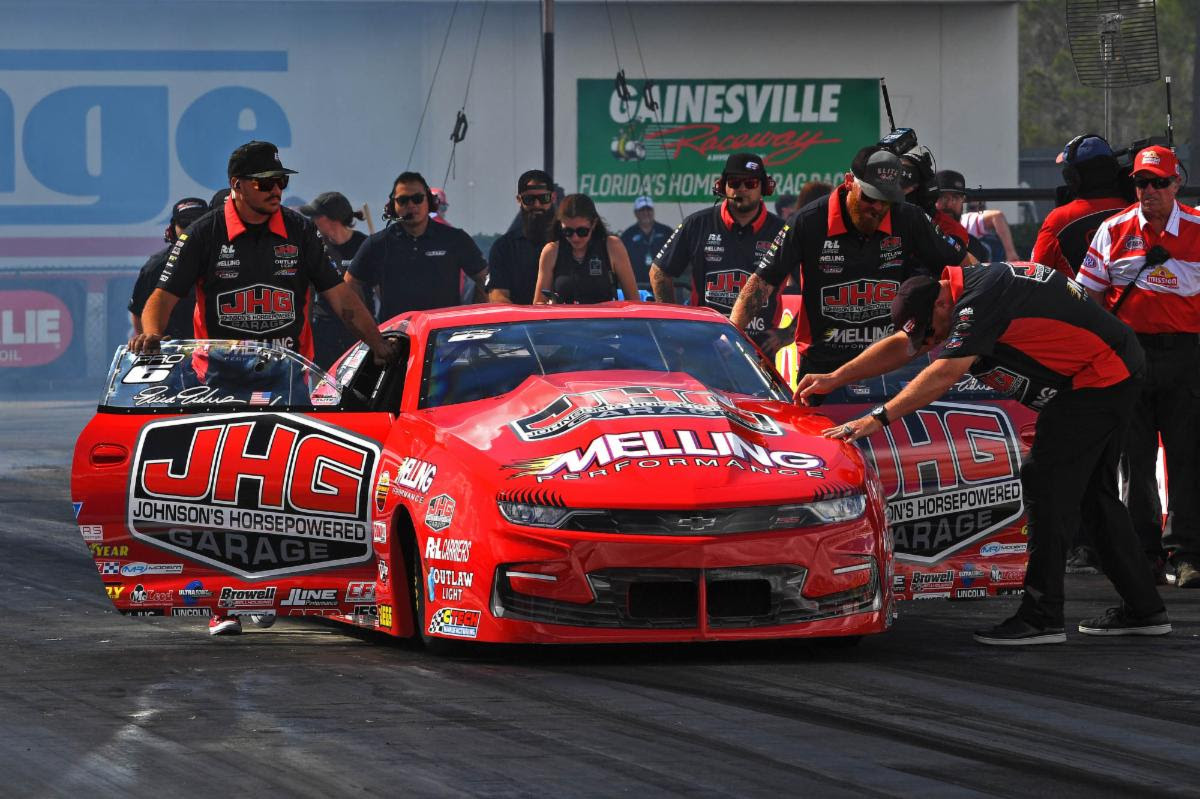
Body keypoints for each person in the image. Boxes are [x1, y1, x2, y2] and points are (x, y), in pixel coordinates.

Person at [797, 262, 1170, 645]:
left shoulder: (979, 301)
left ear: (942, 306)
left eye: (931, 334)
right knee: (1095, 496)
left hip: (1097, 377)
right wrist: (836, 378)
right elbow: (906, 346)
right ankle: (1144, 609)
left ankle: (1042, 617)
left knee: (1045, 482)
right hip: (1107, 371)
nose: (930, 344)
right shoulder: (957, 296)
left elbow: (944, 373)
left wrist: (876, 418)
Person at [130, 142, 396, 638]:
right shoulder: (206, 233)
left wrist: (378, 345)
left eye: (282, 182)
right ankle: (220, 602)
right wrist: (149, 333)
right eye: (265, 183)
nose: (277, 191)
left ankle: (274, 588)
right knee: (223, 492)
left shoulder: (299, 230)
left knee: (282, 490)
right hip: (219, 379)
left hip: (287, 374)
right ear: (237, 185)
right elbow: (159, 300)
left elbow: (342, 299)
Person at [731, 146, 965, 386]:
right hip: (822, 369)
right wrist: (731, 341)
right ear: (849, 181)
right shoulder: (809, 221)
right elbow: (761, 283)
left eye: (886, 200)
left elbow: (964, 267)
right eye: (870, 197)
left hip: (889, 365)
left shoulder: (908, 217)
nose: (877, 207)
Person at [1077, 145, 1200, 589]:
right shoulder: (1113, 230)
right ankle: (1144, 554)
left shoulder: (1199, 228)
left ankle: (1188, 555)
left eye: (1158, 182)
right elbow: (1088, 297)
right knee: (1135, 460)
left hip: (1187, 356)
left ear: (1175, 183)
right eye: (1140, 183)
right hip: (1129, 356)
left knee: (1188, 458)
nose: (1148, 191)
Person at [649, 153, 786, 341]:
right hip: (704, 346)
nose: (742, 189)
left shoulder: (783, 231)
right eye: (734, 183)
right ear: (722, 186)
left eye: (751, 183)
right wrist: (672, 326)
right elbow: (659, 272)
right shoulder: (697, 224)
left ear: (765, 186)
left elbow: (813, 281)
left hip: (759, 350)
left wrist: (788, 333)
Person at [346, 171, 488, 321]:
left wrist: (474, 319)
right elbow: (350, 283)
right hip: (396, 339)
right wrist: (368, 324)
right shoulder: (377, 243)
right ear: (392, 206)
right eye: (403, 200)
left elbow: (485, 277)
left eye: (417, 199)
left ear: (430, 202)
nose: (411, 205)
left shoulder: (455, 239)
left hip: (444, 337)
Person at [1032, 134, 1129, 277]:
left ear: (1072, 177)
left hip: (1075, 299)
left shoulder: (1059, 220)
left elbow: (1035, 274)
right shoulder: (1138, 211)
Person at [299, 191, 369, 370]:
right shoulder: (315, 246)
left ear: (333, 218)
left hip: (359, 328)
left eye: (316, 215)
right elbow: (306, 292)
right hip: (324, 332)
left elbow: (381, 291)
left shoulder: (365, 245)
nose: (312, 220)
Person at [533, 193, 639, 304]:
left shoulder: (612, 247)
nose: (575, 238)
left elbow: (634, 301)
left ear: (593, 224)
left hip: (604, 320)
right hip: (566, 320)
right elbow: (538, 305)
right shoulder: (551, 251)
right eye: (568, 232)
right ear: (561, 226)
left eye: (582, 231)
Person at [128, 197, 207, 337]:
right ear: (172, 228)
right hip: (173, 351)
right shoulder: (156, 266)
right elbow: (138, 312)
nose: (190, 229)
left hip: (219, 349)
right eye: (184, 224)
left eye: (196, 223)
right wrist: (152, 338)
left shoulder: (224, 256)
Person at [487, 169, 556, 304]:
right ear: (519, 200)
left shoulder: (571, 240)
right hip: (521, 323)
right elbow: (498, 297)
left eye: (544, 198)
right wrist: (527, 321)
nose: (537, 205)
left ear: (553, 198)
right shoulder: (504, 248)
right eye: (529, 199)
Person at [933, 170, 990, 263]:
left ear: (963, 200)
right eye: (942, 197)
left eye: (955, 197)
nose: (949, 204)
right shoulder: (918, 240)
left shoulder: (976, 247)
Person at [620, 195, 673, 287]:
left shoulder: (666, 231)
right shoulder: (627, 235)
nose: (646, 213)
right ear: (636, 213)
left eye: (649, 209)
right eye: (642, 210)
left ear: (653, 211)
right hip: (637, 286)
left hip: (663, 285)